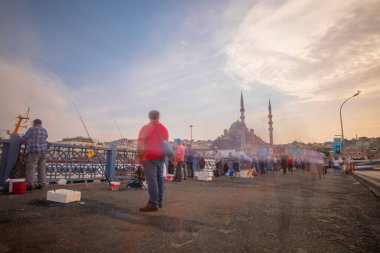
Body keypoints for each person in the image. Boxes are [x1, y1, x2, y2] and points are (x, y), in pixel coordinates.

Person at [137, 110, 169, 212]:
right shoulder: (164, 129)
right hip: (161, 157)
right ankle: (159, 201)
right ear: (159, 117)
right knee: (159, 179)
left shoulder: (146, 128)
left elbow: (140, 144)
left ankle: (153, 203)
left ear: (150, 117)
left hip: (149, 157)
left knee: (152, 181)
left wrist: (139, 157)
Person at [20, 119, 48, 191]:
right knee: (41, 167)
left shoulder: (32, 129)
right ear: (41, 123)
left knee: (31, 167)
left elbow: (24, 138)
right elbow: (45, 138)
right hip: (44, 151)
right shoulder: (44, 130)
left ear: (34, 123)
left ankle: (30, 185)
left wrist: (20, 142)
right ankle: (42, 184)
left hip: (34, 151)